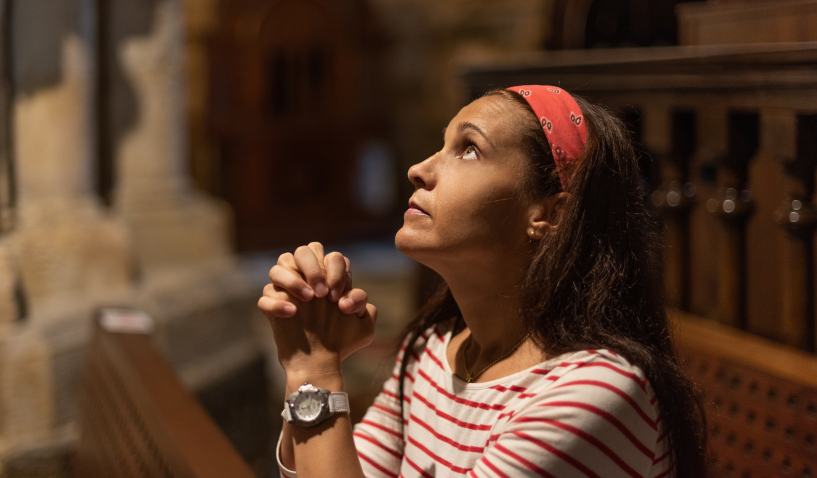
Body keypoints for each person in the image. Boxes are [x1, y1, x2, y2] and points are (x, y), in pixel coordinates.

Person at [258, 85, 707, 477]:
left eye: (469, 149)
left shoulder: (592, 393)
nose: (419, 168)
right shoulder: (435, 349)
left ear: (549, 214)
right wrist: (310, 367)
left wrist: (313, 370)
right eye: (442, 145)